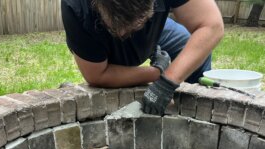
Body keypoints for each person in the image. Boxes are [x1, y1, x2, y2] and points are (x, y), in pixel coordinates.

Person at [61, 0, 224, 115]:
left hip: (156, 29)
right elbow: (97, 75)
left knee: (190, 48)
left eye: (135, 22)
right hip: (100, 36)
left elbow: (211, 26)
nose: (125, 33)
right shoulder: (75, 6)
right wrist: (157, 72)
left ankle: (189, 115)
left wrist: (169, 81)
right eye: (118, 23)